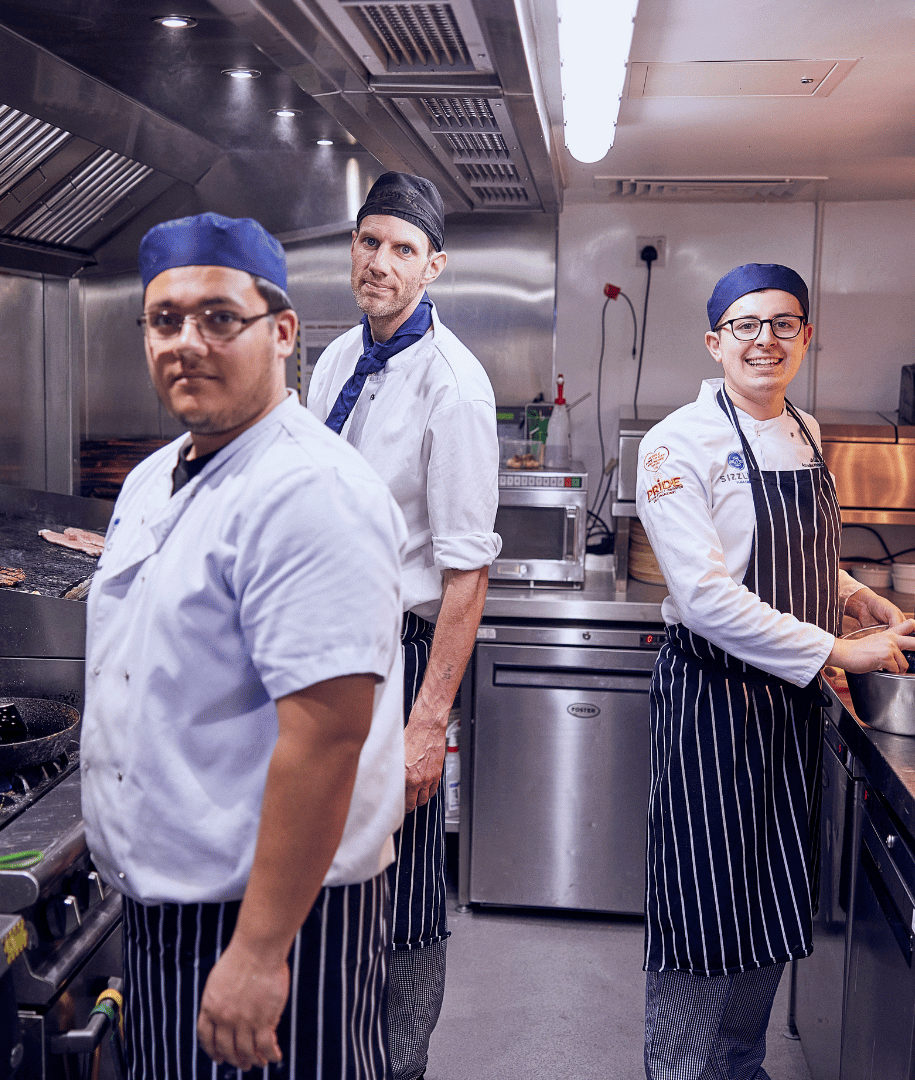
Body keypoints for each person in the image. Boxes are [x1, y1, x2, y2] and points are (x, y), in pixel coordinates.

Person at [80, 212, 408, 1080]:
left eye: (219, 318)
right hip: (171, 904)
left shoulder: (311, 491)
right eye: (165, 320)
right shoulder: (158, 476)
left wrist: (261, 953)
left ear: (284, 333)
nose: (187, 342)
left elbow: (328, 736)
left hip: (276, 910)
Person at [634, 263, 915, 1080]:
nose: (765, 340)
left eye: (784, 324)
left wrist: (857, 596)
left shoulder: (802, 427)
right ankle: (682, 1073)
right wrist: (837, 651)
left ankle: (738, 1065)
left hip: (791, 709)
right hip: (713, 707)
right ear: (714, 340)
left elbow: (787, 554)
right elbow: (704, 596)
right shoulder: (676, 445)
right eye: (746, 325)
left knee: (769, 899)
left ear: (806, 337)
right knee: (705, 909)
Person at [304, 171, 499, 1080]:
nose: (380, 263)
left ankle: (397, 1065)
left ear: (435, 267)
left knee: (408, 888)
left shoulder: (454, 388)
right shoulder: (334, 361)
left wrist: (431, 725)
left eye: (402, 249)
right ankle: (329, 1051)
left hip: (404, 658)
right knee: (323, 869)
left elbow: (467, 577)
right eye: (368, 241)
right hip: (324, 652)